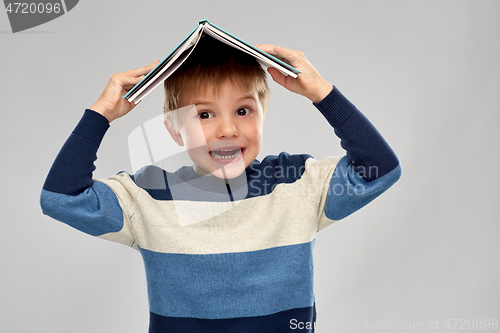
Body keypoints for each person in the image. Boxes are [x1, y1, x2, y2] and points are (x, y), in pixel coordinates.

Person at [41, 36, 401, 332]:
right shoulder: (148, 198)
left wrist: (321, 92)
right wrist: (100, 115)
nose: (228, 129)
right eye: (204, 115)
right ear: (174, 130)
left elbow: (379, 169)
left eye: (243, 111)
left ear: (263, 115)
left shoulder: (297, 185)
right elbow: (62, 198)